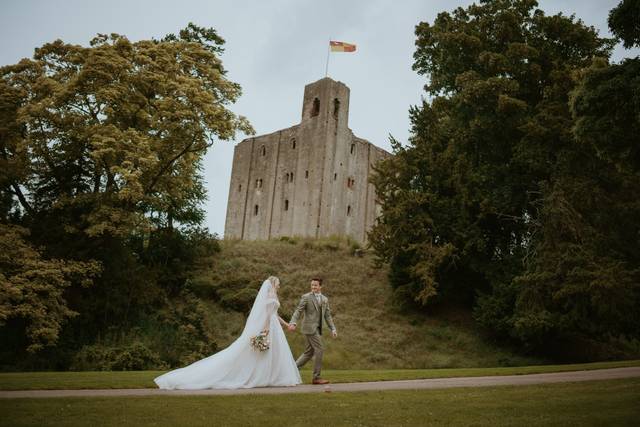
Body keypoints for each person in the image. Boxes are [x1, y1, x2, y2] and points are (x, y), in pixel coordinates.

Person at [154, 276, 301, 389]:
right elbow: (268, 315)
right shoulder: (270, 297)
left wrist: (286, 324)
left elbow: (275, 314)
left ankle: (272, 377)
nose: (279, 285)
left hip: (274, 327)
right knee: (262, 353)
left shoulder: (273, 296)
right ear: (274, 284)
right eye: (278, 283)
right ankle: (264, 377)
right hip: (269, 327)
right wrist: (266, 329)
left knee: (273, 354)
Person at [288, 278, 337, 384]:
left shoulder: (324, 299)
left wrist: (333, 328)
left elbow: (327, 316)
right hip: (309, 328)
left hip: (318, 329)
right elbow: (298, 310)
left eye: (315, 285)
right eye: (312, 285)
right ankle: (316, 377)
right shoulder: (306, 297)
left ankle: (291, 370)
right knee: (319, 349)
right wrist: (293, 322)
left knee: (309, 353)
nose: (313, 287)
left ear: (320, 286)